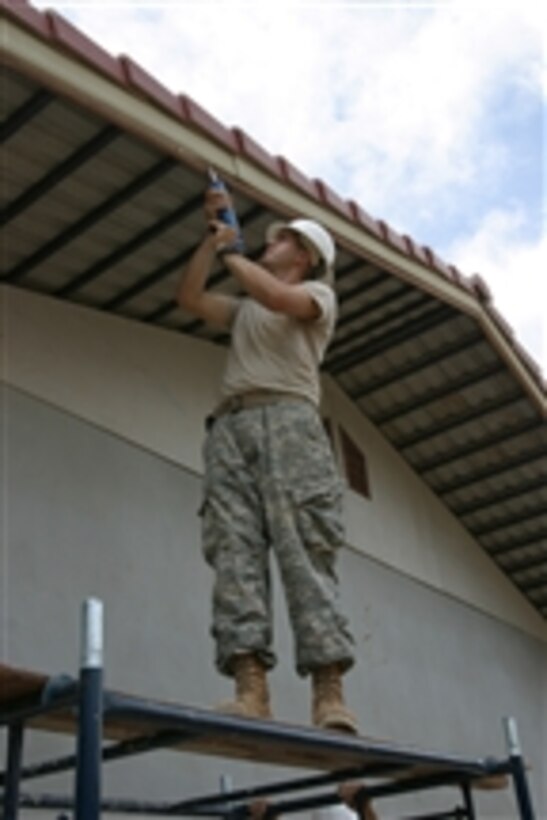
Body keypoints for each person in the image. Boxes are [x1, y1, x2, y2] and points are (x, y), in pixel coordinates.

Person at [177, 178, 357, 734]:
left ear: (303, 256)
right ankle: (249, 689)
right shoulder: (245, 310)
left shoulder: (316, 297)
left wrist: (232, 249)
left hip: (289, 423)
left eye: (281, 241)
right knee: (236, 555)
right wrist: (214, 241)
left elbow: (278, 298)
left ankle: (329, 695)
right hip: (231, 427)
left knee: (304, 550)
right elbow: (189, 299)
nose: (270, 243)